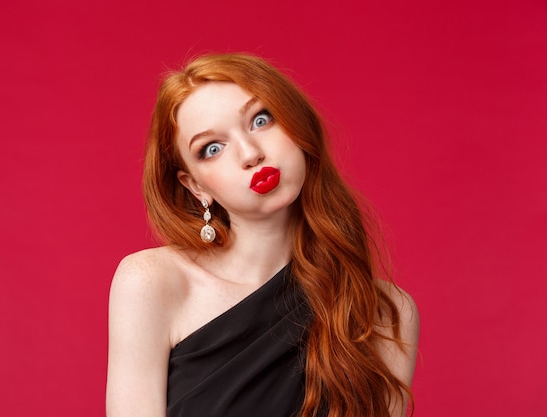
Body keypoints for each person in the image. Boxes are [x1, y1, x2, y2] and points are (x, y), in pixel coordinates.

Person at [106, 53, 419, 417]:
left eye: (260, 119)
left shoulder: (386, 312)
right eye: (212, 148)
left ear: (296, 124)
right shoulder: (152, 283)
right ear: (195, 187)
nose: (250, 154)